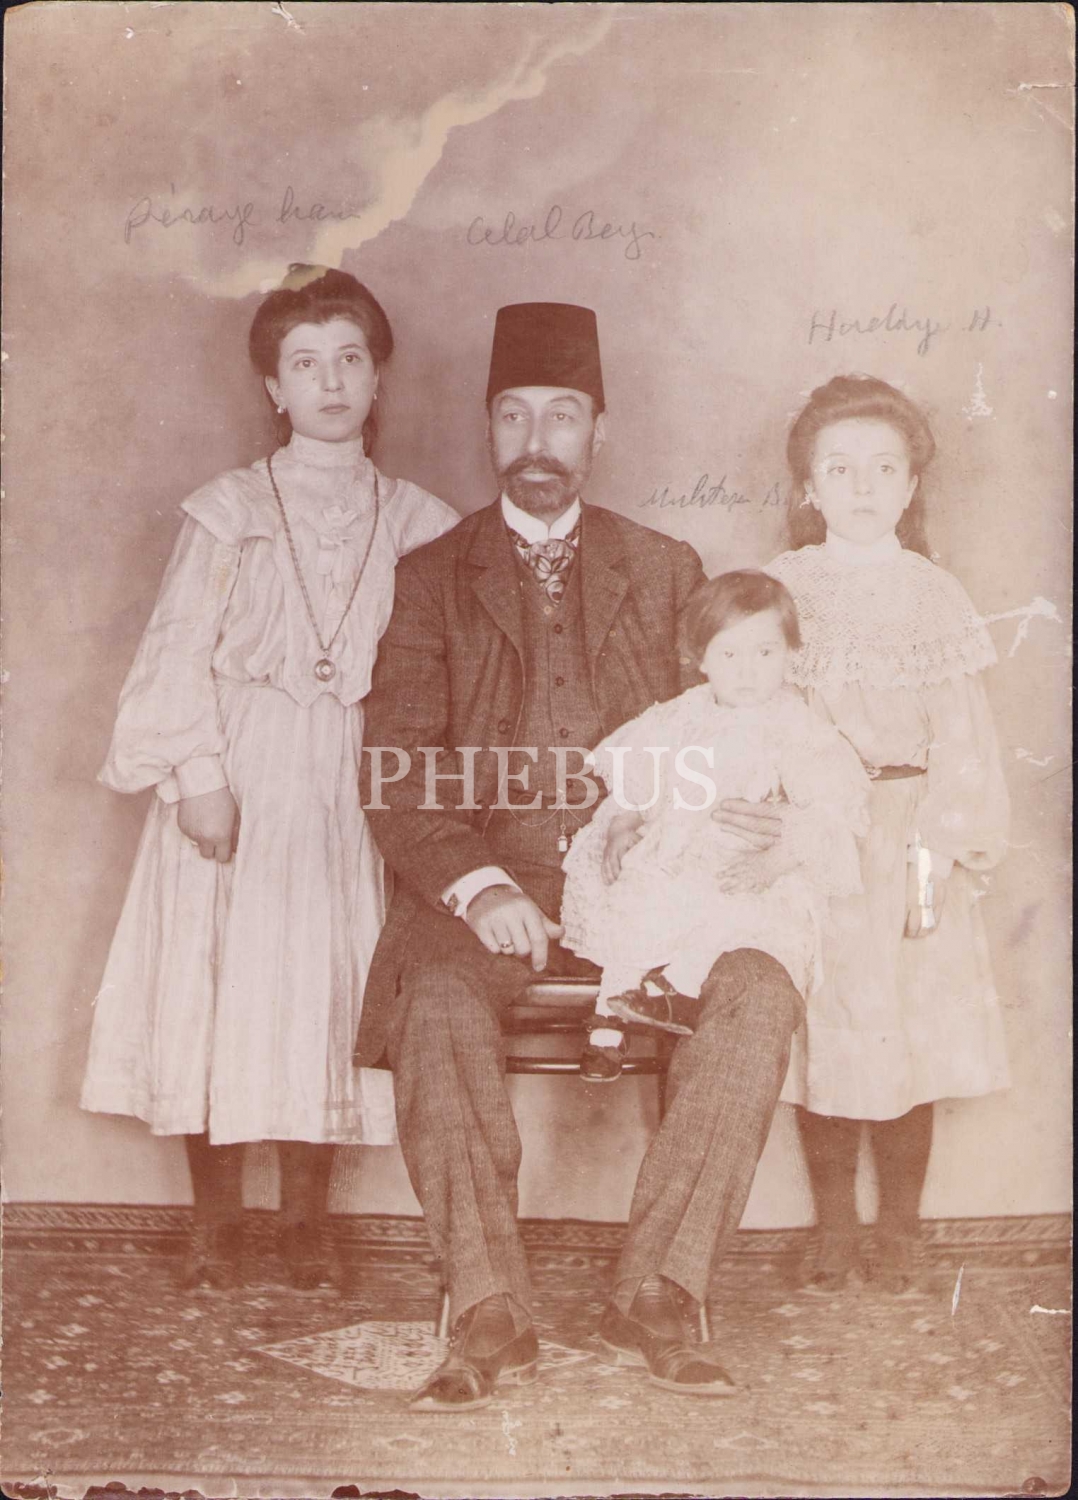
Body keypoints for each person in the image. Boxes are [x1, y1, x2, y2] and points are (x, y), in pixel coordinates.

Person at [355, 302, 806, 1411]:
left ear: (598, 431)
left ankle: (659, 1288)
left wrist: (750, 817)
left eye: (562, 416)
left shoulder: (663, 567)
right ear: (489, 429)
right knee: (435, 999)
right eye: (514, 416)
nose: (537, 441)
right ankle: (488, 1305)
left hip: (652, 887)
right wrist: (480, 884)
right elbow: (398, 769)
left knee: (758, 989)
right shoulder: (431, 575)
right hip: (486, 886)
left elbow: (728, 724)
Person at [81, 265, 459, 1293]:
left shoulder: (421, 520)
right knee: (217, 982)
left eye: (349, 360)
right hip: (236, 766)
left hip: (352, 783)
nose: (329, 383)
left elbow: (444, 668)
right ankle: (215, 1220)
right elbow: (176, 649)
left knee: (326, 989)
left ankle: (305, 1222)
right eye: (304, 364)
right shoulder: (229, 509)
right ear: (273, 389)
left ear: (377, 378)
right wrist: (198, 776)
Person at [764, 374, 1010, 1292]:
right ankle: (834, 1224)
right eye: (840, 468)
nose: (862, 486)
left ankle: (900, 1227)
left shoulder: (933, 594)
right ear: (809, 487)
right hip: (820, 837)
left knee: (910, 1027)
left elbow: (965, 740)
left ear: (910, 488)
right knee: (826, 1028)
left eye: (883, 468)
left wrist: (939, 854)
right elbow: (761, 714)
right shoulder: (784, 590)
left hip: (911, 839)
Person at [561, 571, 872, 1083]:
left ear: (790, 653)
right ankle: (608, 1023)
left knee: (735, 917)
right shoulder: (679, 716)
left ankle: (674, 991)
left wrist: (774, 861)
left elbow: (830, 810)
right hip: (677, 854)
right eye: (730, 654)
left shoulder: (794, 725)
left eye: (765, 653)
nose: (748, 671)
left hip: (748, 866)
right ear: (700, 658)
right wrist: (623, 825)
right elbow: (640, 777)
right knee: (638, 895)